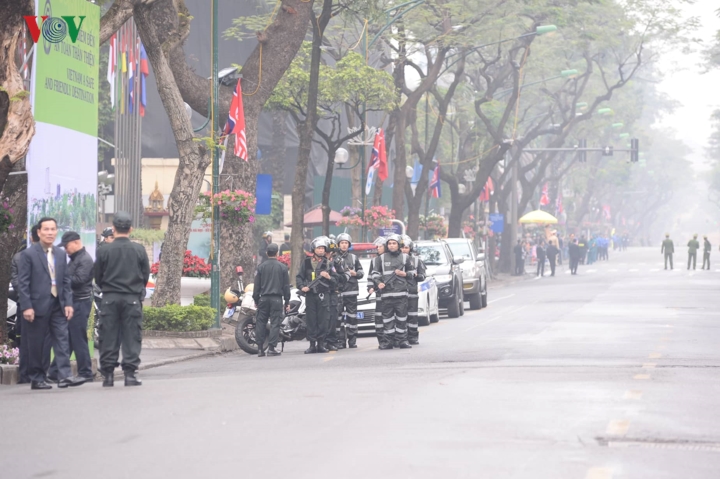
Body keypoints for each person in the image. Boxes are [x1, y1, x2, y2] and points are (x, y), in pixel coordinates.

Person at [17, 218, 85, 390]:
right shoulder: (28, 254)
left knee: (62, 339)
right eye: (46, 229)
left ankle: (64, 376)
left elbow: (65, 281)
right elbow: (23, 283)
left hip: (58, 304)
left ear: (56, 232)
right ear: (39, 232)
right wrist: (27, 306)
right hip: (37, 306)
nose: (49, 233)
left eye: (53, 229)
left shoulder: (61, 254)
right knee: (37, 343)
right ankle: (37, 378)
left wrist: (68, 303)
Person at [94, 211, 150, 387]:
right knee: (131, 336)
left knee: (108, 335)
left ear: (114, 228)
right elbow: (145, 275)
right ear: (131, 229)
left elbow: (98, 276)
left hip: (109, 298)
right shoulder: (139, 250)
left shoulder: (104, 250)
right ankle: (130, 374)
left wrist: (108, 289)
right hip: (132, 299)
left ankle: (108, 375)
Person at [48, 231, 94, 382]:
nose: (66, 250)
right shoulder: (74, 259)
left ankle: (86, 372)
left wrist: (61, 278)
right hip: (73, 301)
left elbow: (79, 280)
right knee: (68, 338)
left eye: (67, 246)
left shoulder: (85, 259)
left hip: (80, 302)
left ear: (76, 242)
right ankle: (55, 370)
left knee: (77, 338)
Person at [11, 226, 50, 384]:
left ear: (30, 238)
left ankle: (26, 374)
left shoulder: (18, 257)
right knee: (44, 341)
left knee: (27, 340)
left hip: (25, 303)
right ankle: (40, 374)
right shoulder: (49, 256)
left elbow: (16, 282)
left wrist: (25, 298)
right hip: (43, 304)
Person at [370, 234, 415, 350]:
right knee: (387, 319)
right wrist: (378, 282)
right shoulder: (381, 258)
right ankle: (388, 342)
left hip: (401, 295)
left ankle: (402, 341)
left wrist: (404, 274)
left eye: (394, 243)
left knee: (401, 319)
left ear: (399, 244)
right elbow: (374, 273)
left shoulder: (405, 258)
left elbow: (413, 274)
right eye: (389, 243)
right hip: (386, 295)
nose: (391, 245)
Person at [296, 236, 337, 354]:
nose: (321, 250)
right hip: (310, 295)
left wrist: (328, 277)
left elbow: (336, 279)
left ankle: (321, 344)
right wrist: (301, 287)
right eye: (319, 248)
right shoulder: (306, 262)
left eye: (323, 248)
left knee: (323, 320)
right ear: (314, 249)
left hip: (323, 295)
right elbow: (299, 277)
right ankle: (312, 344)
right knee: (311, 320)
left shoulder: (329, 264)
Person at [252, 243, 291, 357]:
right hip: (277, 299)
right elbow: (286, 287)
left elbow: (256, 286)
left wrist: (256, 300)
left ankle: (260, 349)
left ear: (266, 253)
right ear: (277, 253)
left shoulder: (261, 267)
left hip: (263, 299)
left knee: (260, 323)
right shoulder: (283, 267)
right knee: (275, 323)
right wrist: (287, 301)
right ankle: (271, 348)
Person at [335, 233, 364, 349]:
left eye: (346, 243)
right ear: (338, 244)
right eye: (342, 243)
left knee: (352, 317)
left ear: (349, 245)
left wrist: (355, 273)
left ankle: (352, 341)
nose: (344, 245)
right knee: (339, 318)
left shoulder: (354, 258)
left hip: (351, 292)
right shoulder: (334, 258)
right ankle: (341, 341)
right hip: (338, 293)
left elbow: (361, 272)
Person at [401, 235, 425, 345]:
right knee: (401, 317)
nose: (404, 250)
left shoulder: (416, 261)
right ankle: (402, 338)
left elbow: (423, 276)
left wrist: (416, 275)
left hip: (412, 293)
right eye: (402, 247)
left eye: (406, 247)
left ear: (410, 248)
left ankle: (413, 337)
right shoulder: (396, 260)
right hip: (400, 293)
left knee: (412, 316)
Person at [325, 237, 345, 352]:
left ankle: (331, 341)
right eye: (327, 251)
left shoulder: (337, 262)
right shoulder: (317, 261)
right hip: (321, 294)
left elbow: (342, 278)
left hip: (333, 293)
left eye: (331, 252)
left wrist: (332, 277)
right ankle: (320, 342)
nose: (329, 254)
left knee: (333, 319)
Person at [367, 237, 386, 345]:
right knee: (379, 317)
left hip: (392, 292)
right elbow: (370, 276)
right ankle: (382, 340)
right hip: (379, 293)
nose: (378, 248)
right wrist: (370, 287)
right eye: (377, 246)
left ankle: (394, 339)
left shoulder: (392, 259)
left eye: (380, 246)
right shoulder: (374, 261)